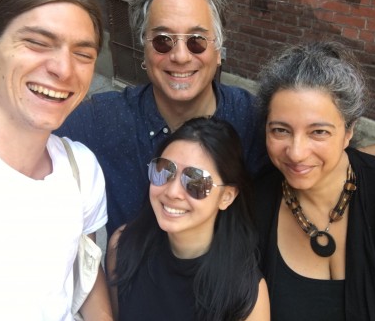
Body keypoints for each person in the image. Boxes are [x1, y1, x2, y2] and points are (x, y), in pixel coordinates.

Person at [0, 0, 375, 239]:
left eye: (197, 41)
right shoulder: (96, 119)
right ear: (142, 51)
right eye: (162, 41)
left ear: (219, 51)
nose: (180, 56)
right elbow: (19, 125)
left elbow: (325, 162)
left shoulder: (252, 118)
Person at [0, 0, 113, 320]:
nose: (64, 68)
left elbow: (84, 271)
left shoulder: (81, 167)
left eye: (83, 54)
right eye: (37, 42)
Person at [253, 41, 375, 320]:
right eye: (281, 130)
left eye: (318, 132)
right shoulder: (253, 208)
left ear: (349, 131)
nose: (296, 152)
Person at [107, 117, 270, 321]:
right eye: (164, 170)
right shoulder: (124, 246)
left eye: (195, 181)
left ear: (226, 196)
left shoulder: (245, 292)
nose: (173, 192)